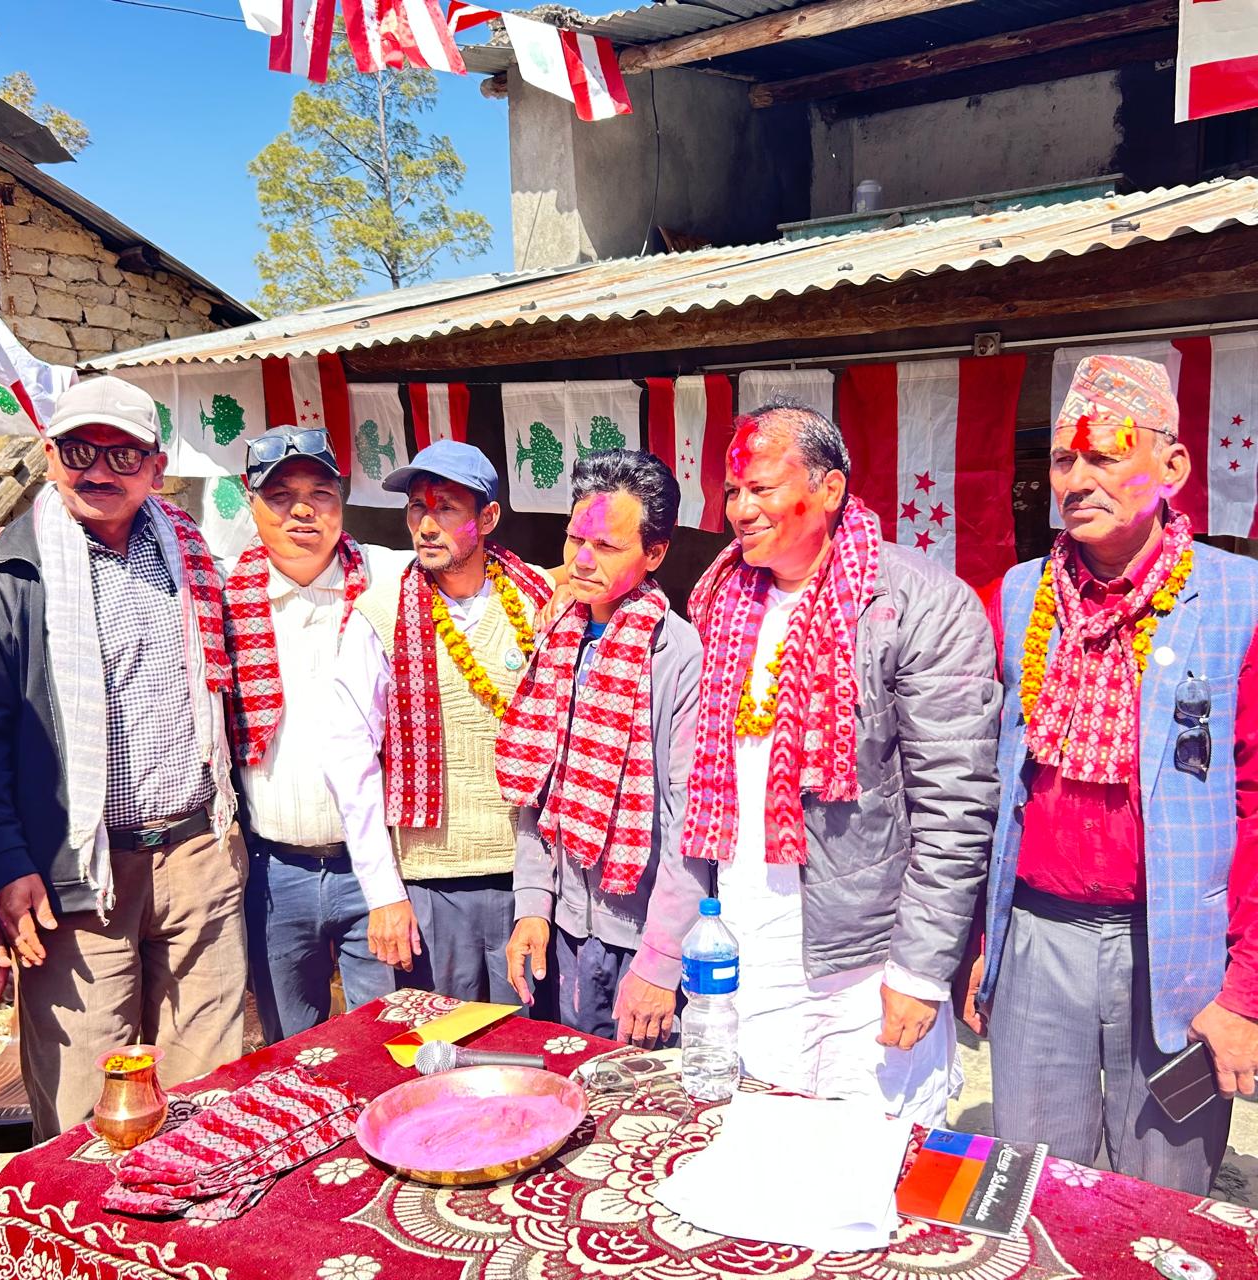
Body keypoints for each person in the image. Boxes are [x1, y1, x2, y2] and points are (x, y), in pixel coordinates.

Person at [975, 354, 1258, 1195]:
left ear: (1173, 466)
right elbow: (987, 783)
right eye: (1065, 459)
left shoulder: (1240, 598)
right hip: (1037, 938)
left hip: (1181, 950)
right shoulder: (1018, 594)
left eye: (1104, 455)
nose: (1076, 479)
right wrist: (980, 946)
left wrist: (1244, 991)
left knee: (1162, 1199)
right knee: (1037, 1187)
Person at [678, 398, 999, 1124]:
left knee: (871, 1149)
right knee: (757, 1128)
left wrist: (920, 970)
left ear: (829, 488)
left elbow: (956, 805)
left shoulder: (920, 603)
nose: (740, 510)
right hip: (744, 931)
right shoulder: (723, 599)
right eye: (732, 491)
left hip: (866, 956)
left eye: (762, 488)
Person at [0, 375, 245, 1139]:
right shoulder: (8, 576)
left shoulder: (191, 556)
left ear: (156, 468)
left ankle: (195, 1218)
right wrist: (6, 865)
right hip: (74, 877)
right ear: (50, 454)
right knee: (83, 1111)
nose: (99, 470)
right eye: (79, 451)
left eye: (122, 455)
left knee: (207, 1097)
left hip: (198, 857)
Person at [324, 440, 555, 1003]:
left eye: (446, 508)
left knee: (528, 1039)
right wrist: (384, 893)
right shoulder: (379, 615)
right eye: (416, 508)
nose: (426, 525)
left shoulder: (541, 602)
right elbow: (348, 758)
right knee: (439, 1039)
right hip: (428, 886)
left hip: (532, 881)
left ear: (488, 518)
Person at [496, 450, 709, 1045]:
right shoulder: (557, 636)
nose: (582, 561)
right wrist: (532, 903)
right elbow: (537, 787)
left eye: (607, 546)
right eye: (575, 540)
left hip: (642, 938)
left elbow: (689, 822)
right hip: (565, 930)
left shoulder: (678, 655)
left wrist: (662, 959)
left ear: (655, 553)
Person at [226, 425, 409, 1043]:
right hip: (275, 872)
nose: (302, 511)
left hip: (377, 868)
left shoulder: (389, 578)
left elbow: (490, 574)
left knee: (389, 1044)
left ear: (342, 500)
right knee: (291, 1049)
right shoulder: (221, 594)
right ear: (250, 500)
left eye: (320, 494)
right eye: (280, 495)